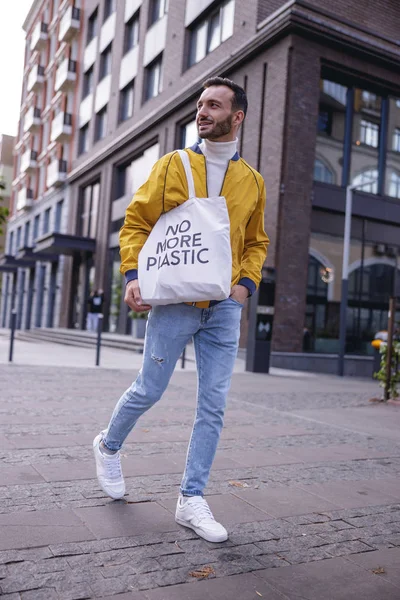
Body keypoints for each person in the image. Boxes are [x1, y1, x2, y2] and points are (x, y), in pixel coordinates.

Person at [93, 77, 269, 543]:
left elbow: (256, 242)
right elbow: (135, 222)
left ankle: (191, 499)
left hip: (224, 309)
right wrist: (132, 276)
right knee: (149, 389)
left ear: (238, 116)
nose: (203, 111)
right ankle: (108, 445)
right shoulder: (173, 165)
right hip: (173, 303)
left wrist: (244, 287)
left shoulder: (252, 181)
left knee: (213, 405)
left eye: (214, 105)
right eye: (200, 104)